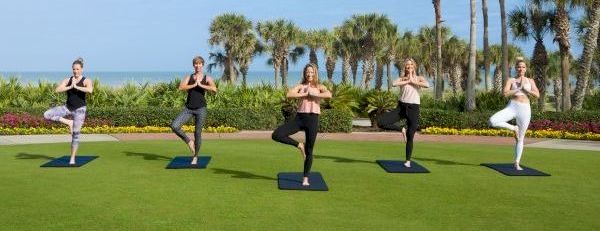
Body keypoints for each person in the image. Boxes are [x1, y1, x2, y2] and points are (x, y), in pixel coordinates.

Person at [272, 63, 332, 186]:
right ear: (305, 74)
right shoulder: (301, 86)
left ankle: (305, 178)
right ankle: (299, 145)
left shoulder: (320, 86)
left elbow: (328, 95)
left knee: (309, 151)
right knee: (277, 134)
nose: (309, 74)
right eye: (307, 72)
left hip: (313, 119)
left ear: (315, 73)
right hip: (299, 119)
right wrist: (304, 94)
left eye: (312, 72)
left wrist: (314, 94)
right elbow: (289, 94)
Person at [377, 58, 429, 168]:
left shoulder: (419, 78)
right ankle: (401, 129)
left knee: (411, 135)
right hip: (401, 107)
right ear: (405, 67)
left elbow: (427, 85)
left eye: (411, 65)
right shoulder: (402, 78)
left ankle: (408, 160)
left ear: (414, 66)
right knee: (381, 122)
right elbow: (394, 83)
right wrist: (407, 80)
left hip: (413, 109)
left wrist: (413, 80)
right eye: (407, 65)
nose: (409, 66)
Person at [489, 57, 539, 170]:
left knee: (521, 138)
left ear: (526, 69)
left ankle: (517, 162)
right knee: (492, 121)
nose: (520, 69)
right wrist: (518, 88)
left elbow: (537, 95)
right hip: (512, 107)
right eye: (518, 67)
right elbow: (505, 94)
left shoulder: (530, 81)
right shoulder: (511, 80)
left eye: (523, 67)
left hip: (525, 109)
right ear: (516, 68)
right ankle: (513, 128)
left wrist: (527, 91)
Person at [43, 57, 94, 165]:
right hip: (67, 107)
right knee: (47, 114)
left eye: (77, 69)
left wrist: (77, 87)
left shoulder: (86, 80)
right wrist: (70, 86)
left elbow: (90, 90)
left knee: (75, 135)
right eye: (74, 69)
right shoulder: (68, 80)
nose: (75, 71)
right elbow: (57, 90)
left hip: (80, 110)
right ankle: (68, 122)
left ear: (82, 69)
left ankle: (72, 158)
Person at [171, 56, 217, 165]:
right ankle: (189, 141)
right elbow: (181, 87)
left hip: (201, 109)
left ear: (202, 65)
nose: (198, 66)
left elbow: (214, 90)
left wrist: (201, 85)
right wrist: (194, 84)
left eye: (200, 64)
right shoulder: (189, 77)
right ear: (194, 65)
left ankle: (195, 156)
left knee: (197, 133)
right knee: (175, 126)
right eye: (196, 64)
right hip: (188, 109)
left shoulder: (207, 78)